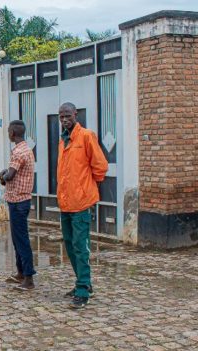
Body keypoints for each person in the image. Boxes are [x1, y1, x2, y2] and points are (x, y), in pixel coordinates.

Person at [56, 102, 108, 309]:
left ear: (75, 114)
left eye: (67, 115)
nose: (64, 119)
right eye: (61, 116)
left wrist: (86, 187)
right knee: (69, 245)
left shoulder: (86, 136)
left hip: (81, 202)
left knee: (80, 246)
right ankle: (83, 282)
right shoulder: (63, 140)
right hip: (66, 202)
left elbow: (100, 166)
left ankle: (83, 289)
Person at [0, 120, 36, 291]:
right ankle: (21, 272)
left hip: (19, 202)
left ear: (12, 133)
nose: (8, 134)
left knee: (21, 240)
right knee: (17, 239)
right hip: (18, 199)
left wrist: (2, 174)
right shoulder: (26, 149)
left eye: (8, 131)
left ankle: (28, 278)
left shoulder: (18, 151)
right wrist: (6, 174)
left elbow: (10, 175)